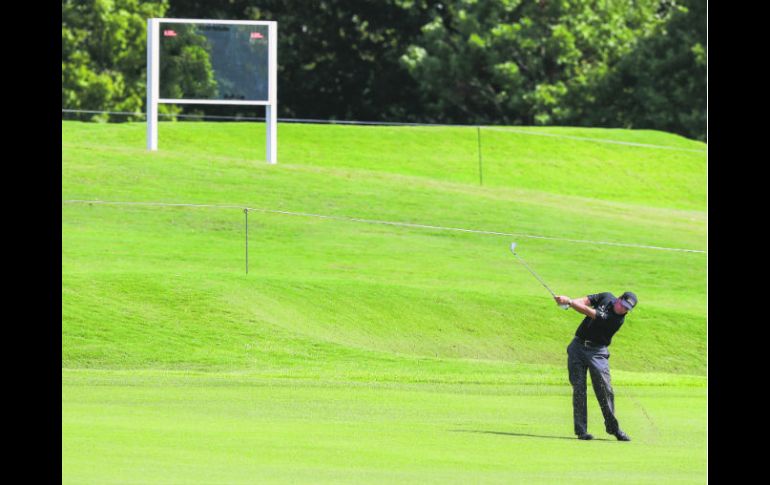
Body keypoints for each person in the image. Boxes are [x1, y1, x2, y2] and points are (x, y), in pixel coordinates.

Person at [553, 291, 638, 442]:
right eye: (623, 305)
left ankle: (613, 428)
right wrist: (566, 303)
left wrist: (570, 302)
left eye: (627, 309)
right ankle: (581, 431)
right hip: (577, 347)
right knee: (579, 389)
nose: (623, 310)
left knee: (604, 390)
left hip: (597, 352)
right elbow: (585, 301)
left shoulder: (616, 319)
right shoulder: (606, 297)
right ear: (619, 299)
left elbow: (590, 312)